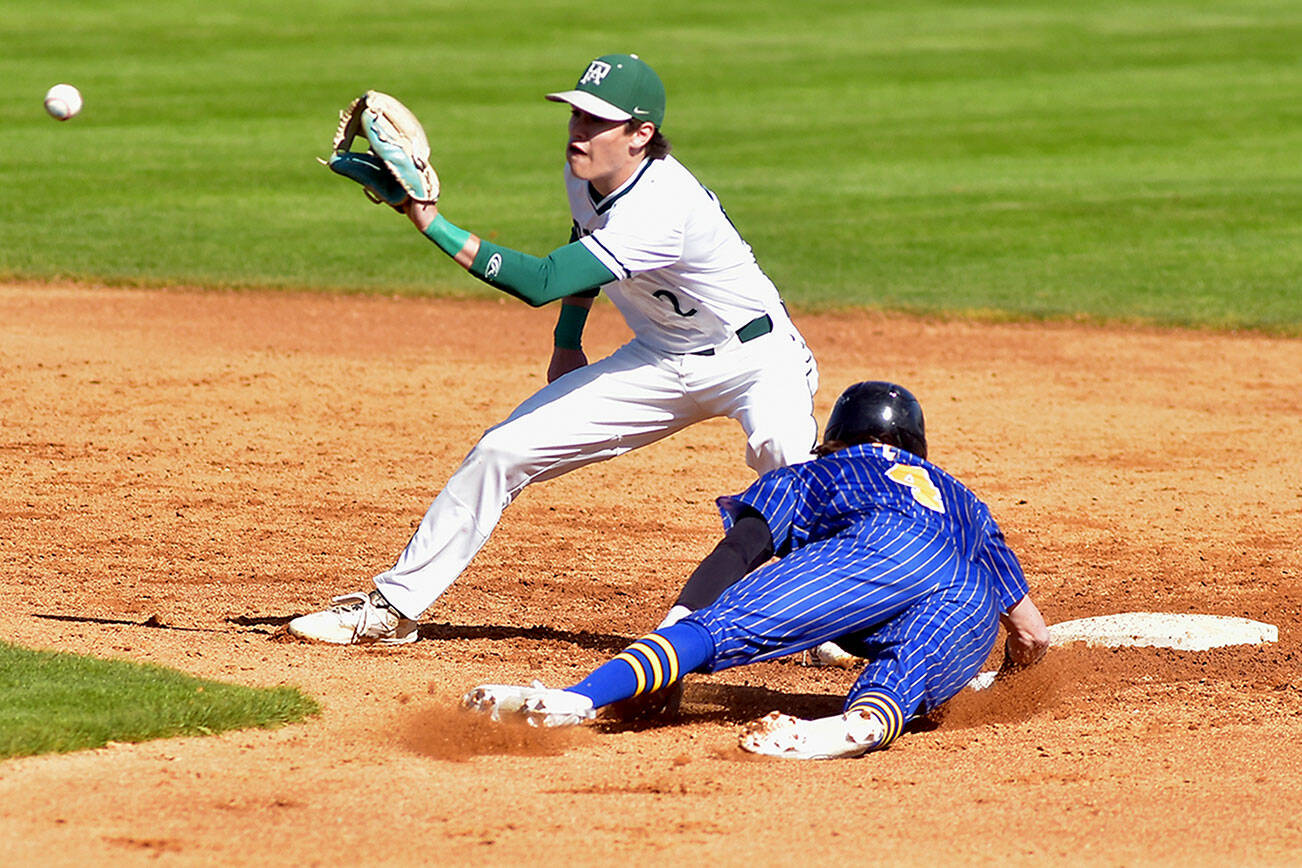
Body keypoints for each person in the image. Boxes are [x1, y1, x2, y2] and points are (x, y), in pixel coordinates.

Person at [289, 53, 819, 644]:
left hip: (756, 360)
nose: (579, 131)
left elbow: (540, 281)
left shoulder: (663, 206)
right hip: (660, 357)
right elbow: (582, 235)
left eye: (597, 121)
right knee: (502, 450)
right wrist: (568, 342)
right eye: (576, 115)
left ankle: (839, 615)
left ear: (641, 135)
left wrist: (428, 221)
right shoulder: (584, 174)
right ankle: (393, 608)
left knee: (788, 467)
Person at [461, 382, 1051, 760]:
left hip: (875, 553)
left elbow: (740, 550)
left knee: (716, 630)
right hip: (968, 601)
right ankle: (847, 730)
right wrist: (1003, 681)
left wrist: (677, 625)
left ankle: (577, 701)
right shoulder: (967, 502)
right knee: (903, 675)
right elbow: (1031, 633)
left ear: (838, 439)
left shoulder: (819, 473)